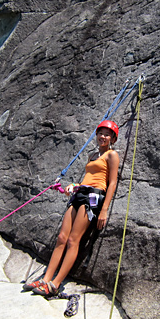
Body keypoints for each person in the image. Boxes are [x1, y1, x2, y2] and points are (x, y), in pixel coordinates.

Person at [23, 120, 120, 297]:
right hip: (80, 193)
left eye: (107, 134)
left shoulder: (112, 155)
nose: (103, 137)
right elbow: (88, 177)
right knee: (61, 237)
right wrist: (73, 185)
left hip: (94, 197)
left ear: (113, 138)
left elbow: (112, 182)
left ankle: (55, 284)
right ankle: (45, 279)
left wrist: (104, 209)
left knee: (73, 240)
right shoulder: (92, 155)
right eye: (100, 133)